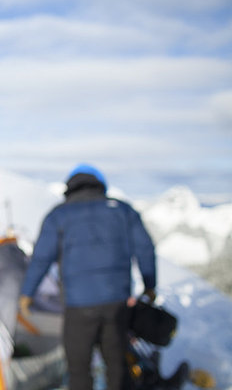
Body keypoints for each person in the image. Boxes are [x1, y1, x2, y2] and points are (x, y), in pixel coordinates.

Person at [19, 164, 157, 390]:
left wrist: (27, 292)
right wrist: (150, 285)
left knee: (79, 368)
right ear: (100, 185)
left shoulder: (59, 215)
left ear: (70, 188)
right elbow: (145, 249)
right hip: (117, 303)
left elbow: (41, 258)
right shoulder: (122, 210)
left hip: (78, 306)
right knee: (117, 363)